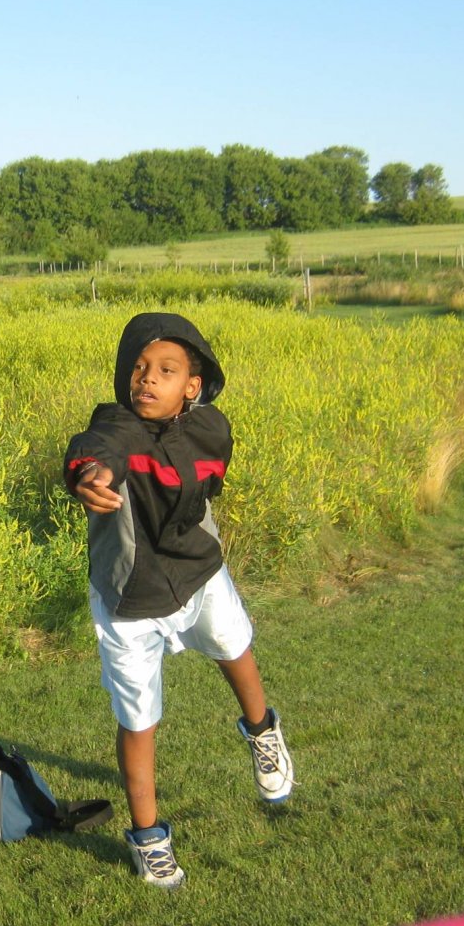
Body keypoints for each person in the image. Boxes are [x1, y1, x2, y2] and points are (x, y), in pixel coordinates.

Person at [64, 311, 292, 889]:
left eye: (166, 370)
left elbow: (209, 481)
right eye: (138, 368)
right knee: (138, 718)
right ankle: (149, 838)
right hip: (129, 596)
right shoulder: (117, 427)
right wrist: (87, 475)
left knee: (234, 648)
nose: (147, 378)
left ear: (192, 385)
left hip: (199, 574)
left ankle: (262, 731)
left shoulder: (213, 429)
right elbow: (96, 450)